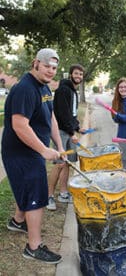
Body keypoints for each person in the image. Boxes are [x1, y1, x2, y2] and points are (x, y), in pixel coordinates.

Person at [1, 48, 64, 264]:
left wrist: (59, 145)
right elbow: (19, 125)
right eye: (47, 66)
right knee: (37, 196)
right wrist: (44, 150)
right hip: (21, 153)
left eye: (54, 68)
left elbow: (51, 117)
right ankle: (33, 247)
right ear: (35, 63)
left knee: (30, 190)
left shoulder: (43, 87)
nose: (51, 71)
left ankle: (19, 221)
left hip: (32, 150)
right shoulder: (25, 88)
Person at [47, 63, 86, 211]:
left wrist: (77, 127)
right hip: (61, 133)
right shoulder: (63, 90)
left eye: (81, 74)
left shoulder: (72, 91)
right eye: (76, 73)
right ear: (71, 75)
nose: (79, 76)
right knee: (60, 163)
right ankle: (49, 196)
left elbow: (72, 114)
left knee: (68, 163)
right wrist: (72, 133)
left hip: (69, 131)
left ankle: (63, 193)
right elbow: (62, 115)